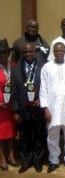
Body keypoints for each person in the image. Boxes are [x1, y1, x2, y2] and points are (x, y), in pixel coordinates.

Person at [39, 42, 65, 173]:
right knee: (52, 134)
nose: (59, 53)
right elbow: (43, 89)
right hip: (52, 106)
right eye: (56, 51)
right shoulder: (47, 67)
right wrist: (45, 108)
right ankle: (53, 160)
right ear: (53, 52)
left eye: (61, 50)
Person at [10, 42, 46, 173]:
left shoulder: (43, 67)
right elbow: (13, 92)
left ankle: (38, 161)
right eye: (25, 52)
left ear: (35, 52)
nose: (28, 54)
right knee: (24, 138)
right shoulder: (15, 69)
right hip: (23, 109)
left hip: (38, 108)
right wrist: (15, 111)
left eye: (30, 52)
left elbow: (47, 88)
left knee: (38, 136)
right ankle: (26, 161)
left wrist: (41, 100)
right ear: (22, 53)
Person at [0, 39, 17, 171]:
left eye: (5, 53)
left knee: (11, 131)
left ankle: (11, 156)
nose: (3, 55)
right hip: (1, 106)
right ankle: (2, 159)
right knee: (1, 133)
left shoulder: (13, 65)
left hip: (11, 104)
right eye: (0, 53)